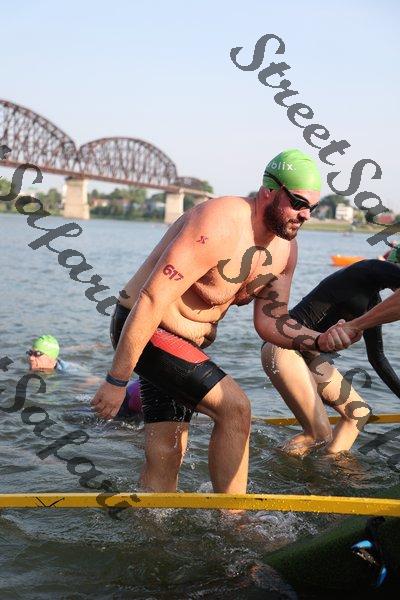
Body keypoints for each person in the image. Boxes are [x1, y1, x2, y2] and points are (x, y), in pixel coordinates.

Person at [91, 148, 354, 494]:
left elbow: (271, 322)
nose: (305, 214)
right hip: (146, 328)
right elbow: (152, 298)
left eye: (312, 208)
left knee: (167, 451)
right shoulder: (218, 222)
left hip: (184, 346)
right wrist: (116, 379)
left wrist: (317, 339)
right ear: (269, 191)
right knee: (236, 409)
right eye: (298, 203)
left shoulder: (285, 249)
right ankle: (234, 517)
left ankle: (152, 520)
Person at [262, 260, 400, 456]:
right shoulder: (368, 268)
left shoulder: (374, 304)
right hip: (284, 347)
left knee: (358, 413)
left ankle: (329, 466)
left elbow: (377, 357)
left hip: (310, 355)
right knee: (318, 435)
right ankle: (266, 466)